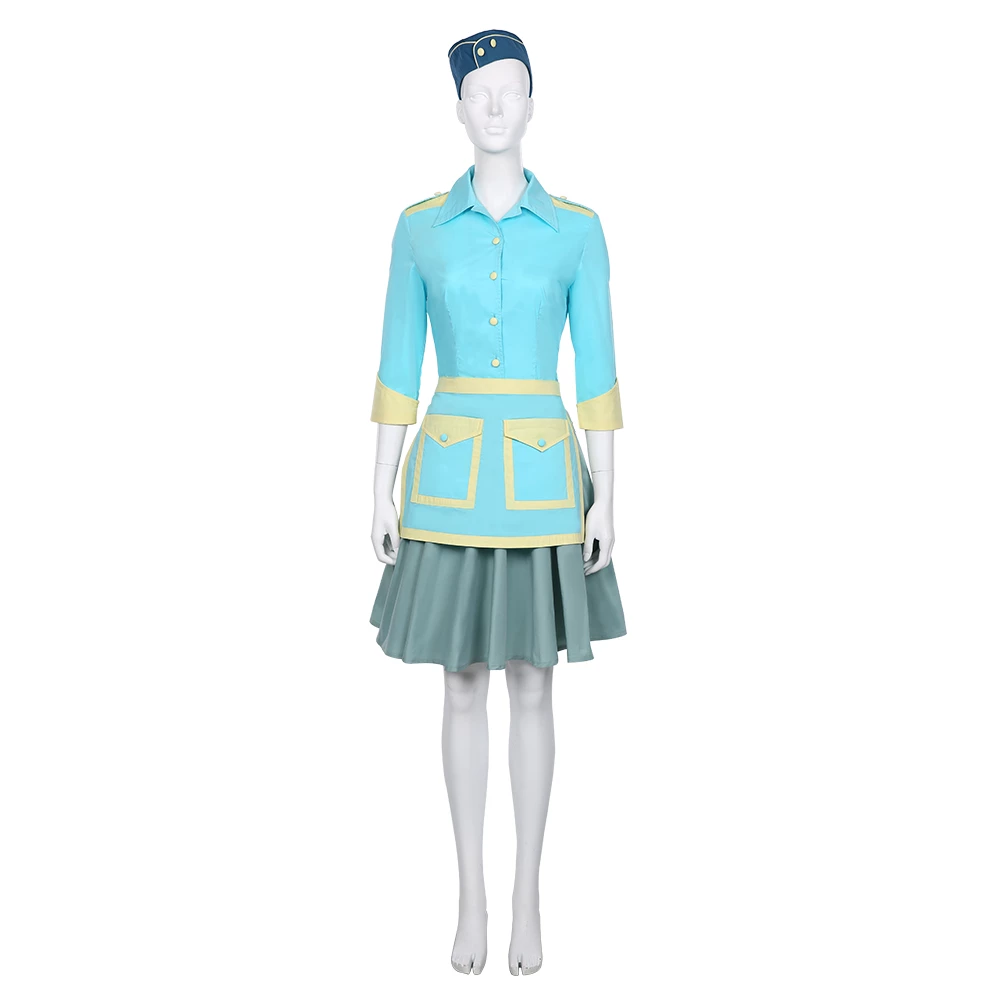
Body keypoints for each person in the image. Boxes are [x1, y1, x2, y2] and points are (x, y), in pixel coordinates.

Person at [368, 29, 626, 976]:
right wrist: (379, 483)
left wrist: (606, 498)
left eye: (508, 89)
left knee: (533, 681)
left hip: (546, 483)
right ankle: (470, 894)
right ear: (457, 108)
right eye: (478, 91)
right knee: (459, 682)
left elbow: (597, 373)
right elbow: (398, 364)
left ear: (531, 103)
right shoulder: (418, 229)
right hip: (443, 485)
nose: (492, 106)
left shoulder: (579, 230)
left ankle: (527, 894)